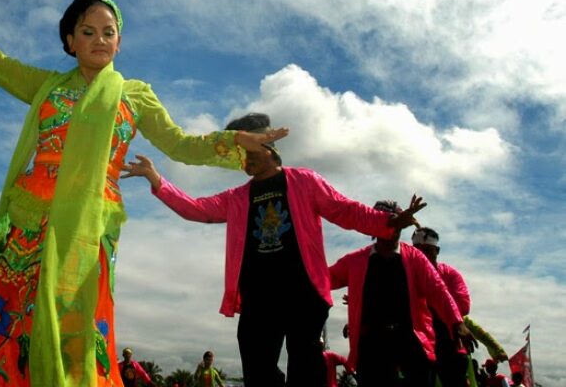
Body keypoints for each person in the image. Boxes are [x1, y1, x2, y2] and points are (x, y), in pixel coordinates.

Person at [0, 0, 287, 387]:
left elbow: (180, 144)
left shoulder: (135, 96)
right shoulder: (46, 86)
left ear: (119, 42)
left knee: (77, 314)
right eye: (88, 32)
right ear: (70, 41)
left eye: (108, 32)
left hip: (90, 225)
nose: (99, 40)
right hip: (33, 217)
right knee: (14, 312)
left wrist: (237, 141)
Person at [122, 113, 425, 387]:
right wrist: (157, 180)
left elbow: (345, 209)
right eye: (238, 152)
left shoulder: (304, 181)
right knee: (257, 371)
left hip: (303, 295)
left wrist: (388, 222)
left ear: (268, 147)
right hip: (258, 298)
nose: (242, 158)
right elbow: (196, 209)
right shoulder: (238, 197)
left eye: (246, 149)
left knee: (306, 368)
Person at [328, 201, 477, 387]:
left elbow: (437, 289)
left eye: (397, 224)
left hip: (411, 339)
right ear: (372, 228)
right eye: (386, 223)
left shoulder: (415, 259)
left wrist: (457, 322)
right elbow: (326, 277)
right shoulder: (356, 261)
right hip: (372, 343)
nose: (390, 231)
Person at [412, 227, 471, 387]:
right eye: (417, 250)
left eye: (427, 250)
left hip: (449, 345)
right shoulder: (408, 276)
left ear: (437, 250)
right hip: (418, 346)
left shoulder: (450, 274)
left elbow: (463, 306)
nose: (422, 254)